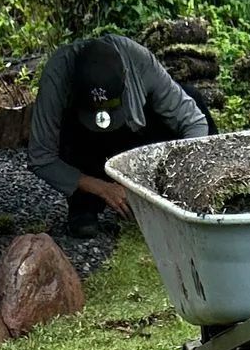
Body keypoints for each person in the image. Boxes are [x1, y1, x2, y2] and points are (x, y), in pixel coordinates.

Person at [28, 34, 210, 231]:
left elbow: (194, 122)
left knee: (193, 97)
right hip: (86, 143)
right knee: (68, 129)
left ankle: (197, 198)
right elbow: (41, 157)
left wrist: (175, 179)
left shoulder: (139, 61)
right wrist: (103, 189)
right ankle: (84, 205)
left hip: (136, 132)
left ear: (125, 74)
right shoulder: (56, 76)